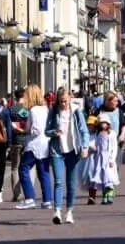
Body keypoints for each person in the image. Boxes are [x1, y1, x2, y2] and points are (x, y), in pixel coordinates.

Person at [46, 88, 89, 225]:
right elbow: (46, 131)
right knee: (58, 181)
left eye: (65, 101)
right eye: (61, 101)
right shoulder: (53, 111)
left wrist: (85, 147)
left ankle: (69, 211)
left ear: (70, 99)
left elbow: (84, 131)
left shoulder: (76, 111)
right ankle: (57, 212)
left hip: (73, 150)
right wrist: (55, 132)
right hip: (57, 150)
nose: (63, 104)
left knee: (71, 183)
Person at [15, 84, 53, 210]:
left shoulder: (33, 110)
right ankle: (47, 200)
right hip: (45, 144)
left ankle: (29, 197)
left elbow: (35, 129)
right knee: (43, 172)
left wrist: (24, 129)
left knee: (23, 169)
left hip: (34, 145)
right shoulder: (45, 108)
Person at [86, 116, 120, 204]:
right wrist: (93, 149)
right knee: (102, 177)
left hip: (108, 159)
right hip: (100, 159)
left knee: (109, 177)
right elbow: (97, 145)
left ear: (108, 123)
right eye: (101, 123)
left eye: (104, 123)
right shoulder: (99, 134)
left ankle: (110, 194)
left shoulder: (112, 134)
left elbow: (114, 147)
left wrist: (112, 159)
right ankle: (104, 196)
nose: (102, 125)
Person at [7, 88, 30, 203]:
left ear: (15, 97)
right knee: (29, 167)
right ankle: (28, 193)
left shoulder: (12, 109)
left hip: (16, 141)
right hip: (28, 141)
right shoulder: (29, 108)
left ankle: (17, 194)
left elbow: (8, 126)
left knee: (15, 168)